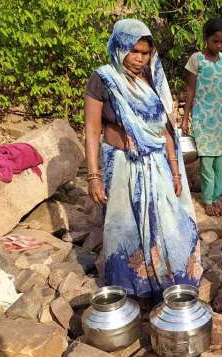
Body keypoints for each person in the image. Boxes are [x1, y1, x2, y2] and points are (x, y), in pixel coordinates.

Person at [84, 19, 203, 298]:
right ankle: (129, 290)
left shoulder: (152, 79)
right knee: (125, 227)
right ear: (118, 47)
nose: (139, 58)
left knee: (170, 222)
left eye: (145, 52)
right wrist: (93, 176)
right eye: (133, 51)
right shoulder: (103, 79)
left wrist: (175, 171)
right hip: (122, 164)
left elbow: (165, 129)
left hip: (157, 163)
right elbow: (91, 130)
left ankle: (167, 282)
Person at [182, 17, 222, 217]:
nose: (219, 45)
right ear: (205, 38)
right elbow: (190, 90)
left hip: (221, 117)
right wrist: (185, 117)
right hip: (202, 118)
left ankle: (217, 197)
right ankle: (207, 200)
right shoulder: (196, 59)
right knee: (206, 162)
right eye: (215, 41)